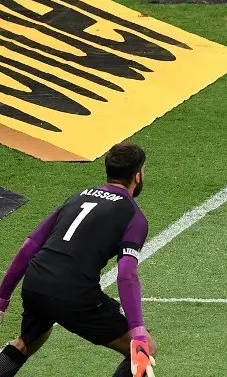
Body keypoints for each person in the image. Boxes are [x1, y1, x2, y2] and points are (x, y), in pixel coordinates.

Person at [0, 143, 157, 377]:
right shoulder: (133, 216)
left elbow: (29, 246)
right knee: (143, 351)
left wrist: (2, 298)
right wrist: (138, 332)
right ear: (137, 175)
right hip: (74, 294)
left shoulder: (77, 197)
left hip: (37, 282)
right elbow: (126, 274)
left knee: (29, 340)